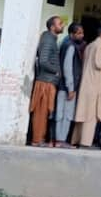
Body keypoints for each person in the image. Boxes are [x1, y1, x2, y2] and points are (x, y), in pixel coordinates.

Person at [73, 25, 101, 148]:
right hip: (94, 86)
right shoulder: (100, 45)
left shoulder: (90, 45)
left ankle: (76, 140)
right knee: (91, 116)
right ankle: (85, 142)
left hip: (87, 84)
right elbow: (100, 64)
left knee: (83, 115)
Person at [30, 16, 63, 147]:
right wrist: (56, 71)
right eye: (60, 23)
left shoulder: (51, 39)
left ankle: (40, 139)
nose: (63, 25)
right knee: (41, 112)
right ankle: (37, 140)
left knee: (44, 113)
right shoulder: (49, 40)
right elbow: (43, 61)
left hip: (48, 81)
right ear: (52, 27)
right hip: (45, 82)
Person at [54, 23, 84, 148]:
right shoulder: (70, 46)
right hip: (67, 87)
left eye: (82, 33)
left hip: (64, 86)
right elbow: (67, 68)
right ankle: (60, 140)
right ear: (72, 34)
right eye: (79, 33)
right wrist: (71, 88)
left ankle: (60, 140)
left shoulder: (65, 44)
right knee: (65, 115)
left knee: (62, 114)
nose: (82, 35)